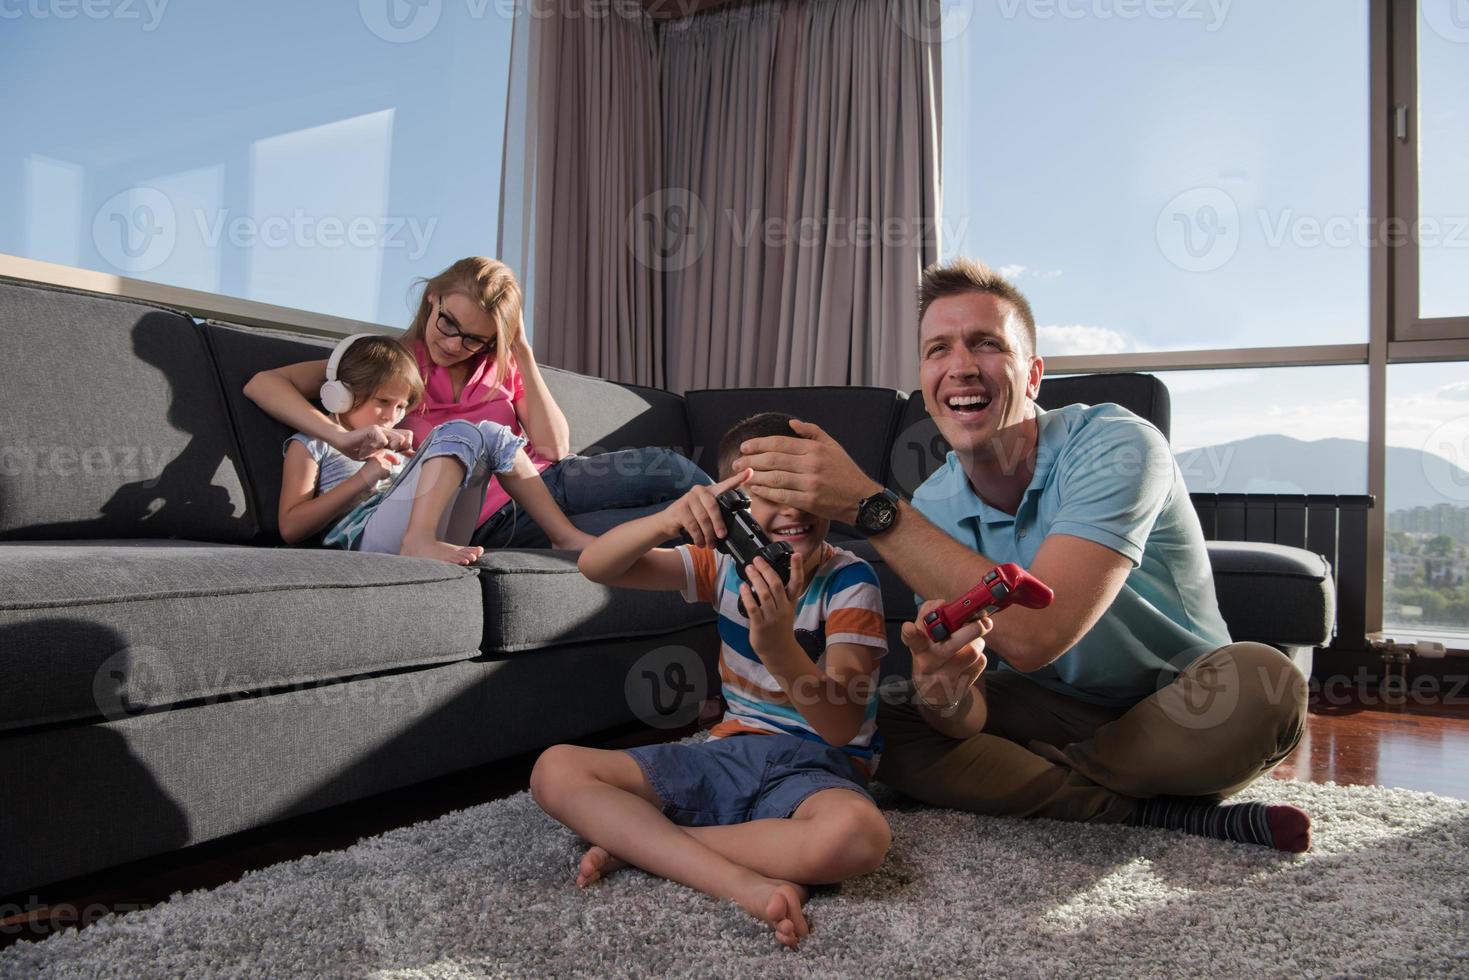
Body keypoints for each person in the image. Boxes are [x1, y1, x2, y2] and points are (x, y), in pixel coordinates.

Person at [730, 259, 1312, 853]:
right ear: (926, 383)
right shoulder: (930, 505)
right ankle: (1154, 810)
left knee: (1266, 685)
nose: (960, 366)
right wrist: (946, 695)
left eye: (985, 344)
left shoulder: (1119, 444)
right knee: (896, 724)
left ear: (1033, 376)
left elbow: (1037, 633)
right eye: (938, 349)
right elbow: (973, 705)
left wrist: (869, 507)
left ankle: (1055, 780)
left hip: (1180, 696)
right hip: (1053, 707)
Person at [529, 413, 902, 949]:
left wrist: (778, 647)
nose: (793, 509)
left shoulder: (849, 580)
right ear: (733, 504)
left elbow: (841, 726)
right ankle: (736, 879)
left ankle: (647, 844)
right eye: (771, 493)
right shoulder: (718, 567)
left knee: (859, 838)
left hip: (817, 766)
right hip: (728, 753)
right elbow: (596, 565)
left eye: (804, 490)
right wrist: (667, 520)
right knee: (554, 769)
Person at [245, 256, 711, 560]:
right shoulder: (388, 366)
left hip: (543, 482)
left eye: (474, 338)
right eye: (447, 323)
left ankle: (764, 521)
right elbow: (264, 383)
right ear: (433, 298)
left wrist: (521, 351)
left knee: (667, 468)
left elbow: (555, 446)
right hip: (487, 515)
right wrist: (340, 438)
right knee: (676, 529)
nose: (452, 344)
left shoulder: (501, 363)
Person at [277, 334, 591, 561]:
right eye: (382, 402)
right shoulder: (312, 445)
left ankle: (562, 536)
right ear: (340, 395)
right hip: (361, 539)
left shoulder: (394, 442)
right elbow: (291, 528)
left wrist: (417, 464)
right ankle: (419, 540)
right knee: (457, 431)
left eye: (401, 406)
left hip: (427, 528)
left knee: (492, 434)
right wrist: (364, 478)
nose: (392, 416)